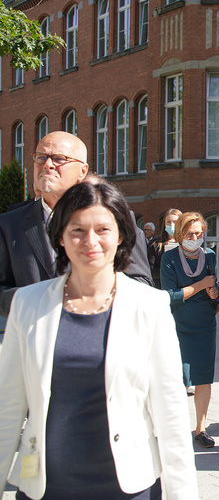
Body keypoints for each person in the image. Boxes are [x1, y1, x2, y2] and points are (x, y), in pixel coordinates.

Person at [0, 180, 198, 499]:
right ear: (60, 236)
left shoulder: (149, 306)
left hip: (127, 487)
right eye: (77, 229)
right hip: (46, 487)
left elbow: (171, 415)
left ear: (121, 236)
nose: (90, 241)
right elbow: (7, 408)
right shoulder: (28, 304)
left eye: (103, 229)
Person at [0, 132, 153, 318]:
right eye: (41, 157)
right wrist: (36, 301)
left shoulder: (114, 218)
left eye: (59, 159)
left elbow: (141, 282)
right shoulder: (9, 224)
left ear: (82, 171)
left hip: (102, 333)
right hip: (37, 337)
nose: (47, 165)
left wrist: (90, 301)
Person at [161, 211, 219, 449]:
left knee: (204, 377)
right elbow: (171, 296)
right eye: (189, 234)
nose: (195, 238)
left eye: (199, 233)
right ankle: (173, 428)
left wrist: (212, 291)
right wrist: (201, 285)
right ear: (179, 234)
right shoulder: (170, 258)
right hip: (178, 324)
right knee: (179, 378)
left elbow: (214, 287)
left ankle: (201, 428)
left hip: (205, 324)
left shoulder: (210, 256)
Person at [148, 208, 181, 289]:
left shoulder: (187, 243)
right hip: (161, 287)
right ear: (164, 224)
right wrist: (168, 271)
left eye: (175, 222)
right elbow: (150, 270)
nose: (172, 225)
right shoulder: (155, 244)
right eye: (168, 222)